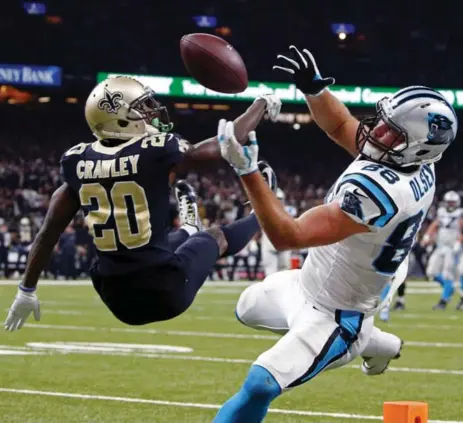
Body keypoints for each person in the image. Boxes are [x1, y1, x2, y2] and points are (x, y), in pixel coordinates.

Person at [211, 46, 458, 423]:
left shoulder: (385, 191)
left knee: (261, 383)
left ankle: (361, 340)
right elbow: (342, 127)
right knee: (244, 309)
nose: (375, 132)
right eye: (382, 121)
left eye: (390, 132)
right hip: (314, 282)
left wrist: (248, 172)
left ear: (417, 149)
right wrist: (314, 89)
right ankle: (380, 343)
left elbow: (287, 236)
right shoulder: (406, 156)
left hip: (339, 314)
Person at [4, 75, 281, 331]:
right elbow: (226, 143)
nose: (152, 111)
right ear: (119, 117)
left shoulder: (76, 161)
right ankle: (261, 211)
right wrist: (261, 103)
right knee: (215, 237)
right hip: (163, 291)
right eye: (142, 106)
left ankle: (187, 230)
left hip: (114, 296)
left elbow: (47, 234)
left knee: (153, 245)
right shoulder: (156, 151)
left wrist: (26, 290)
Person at [421, 190, 463, 309]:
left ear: (457, 203)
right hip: (440, 246)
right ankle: (450, 288)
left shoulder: (460, 213)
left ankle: (444, 300)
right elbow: (435, 225)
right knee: (431, 272)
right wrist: (427, 236)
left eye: (452, 203)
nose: (450, 205)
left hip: (452, 248)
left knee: (447, 274)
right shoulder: (441, 212)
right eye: (448, 202)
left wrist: (459, 242)